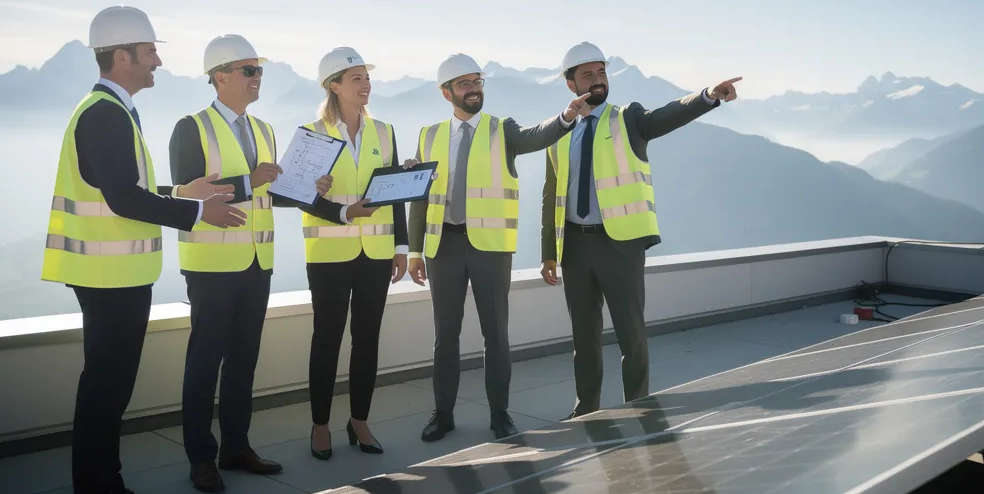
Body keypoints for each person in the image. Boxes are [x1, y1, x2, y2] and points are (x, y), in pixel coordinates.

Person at [41, 6, 245, 494]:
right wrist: (199, 214)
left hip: (118, 275)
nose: (158, 60)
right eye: (151, 50)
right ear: (123, 55)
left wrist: (183, 193)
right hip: (107, 278)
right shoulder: (104, 114)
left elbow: (126, 189)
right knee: (103, 396)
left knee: (111, 393)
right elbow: (121, 198)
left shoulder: (114, 110)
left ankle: (111, 493)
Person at [539, 42, 739, 417]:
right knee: (584, 339)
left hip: (621, 245)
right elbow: (551, 194)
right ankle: (587, 410)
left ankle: (640, 408)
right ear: (570, 84)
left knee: (631, 334)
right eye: (587, 75)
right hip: (575, 250)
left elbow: (666, 116)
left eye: (601, 73)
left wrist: (708, 96)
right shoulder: (560, 130)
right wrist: (549, 252)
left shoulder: (627, 117)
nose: (597, 81)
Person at [408, 53, 591, 442]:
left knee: (496, 333)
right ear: (447, 93)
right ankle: (442, 414)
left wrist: (566, 117)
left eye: (478, 82)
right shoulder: (428, 135)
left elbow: (535, 136)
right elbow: (420, 197)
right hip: (443, 247)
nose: (474, 89)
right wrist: (413, 251)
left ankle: (500, 414)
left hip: (490, 247)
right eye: (464, 84)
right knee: (445, 336)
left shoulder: (501, 128)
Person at [167, 34, 291, 493]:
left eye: (259, 70)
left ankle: (236, 447)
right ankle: (201, 459)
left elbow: (267, 192)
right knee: (204, 362)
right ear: (219, 77)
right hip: (212, 266)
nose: (257, 77)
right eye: (248, 70)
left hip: (258, 261)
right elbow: (185, 196)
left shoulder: (264, 130)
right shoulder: (191, 127)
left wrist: (304, 188)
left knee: (243, 360)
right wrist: (249, 180)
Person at [297, 47, 409, 460]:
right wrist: (327, 199)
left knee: (367, 338)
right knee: (326, 339)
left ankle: (359, 420)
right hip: (328, 254)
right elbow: (296, 196)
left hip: (376, 253)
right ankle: (321, 425)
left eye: (367, 77)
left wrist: (400, 246)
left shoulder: (385, 131)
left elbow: (394, 193)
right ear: (334, 86)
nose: (366, 84)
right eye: (357, 78)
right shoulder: (311, 133)